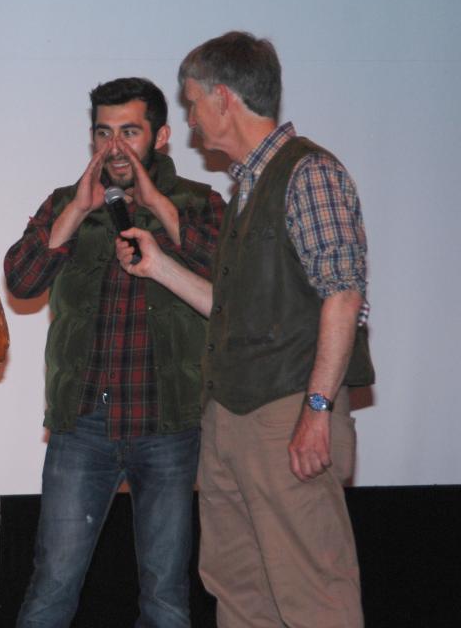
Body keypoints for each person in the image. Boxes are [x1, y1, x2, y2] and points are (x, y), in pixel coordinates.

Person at [116, 32, 374, 627]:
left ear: (224, 98)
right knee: (238, 588)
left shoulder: (309, 173)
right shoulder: (248, 187)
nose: (189, 119)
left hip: (286, 414)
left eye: (191, 103)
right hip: (231, 415)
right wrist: (159, 266)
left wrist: (316, 408)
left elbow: (344, 295)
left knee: (313, 591)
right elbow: (234, 311)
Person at [4, 77, 225, 627]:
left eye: (130, 132)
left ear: (162, 136)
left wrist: (154, 202)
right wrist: (75, 212)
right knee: (53, 583)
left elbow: (231, 282)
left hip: (169, 423)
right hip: (84, 423)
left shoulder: (199, 202)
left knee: (166, 593)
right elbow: (21, 280)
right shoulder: (66, 203)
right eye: (104, 134)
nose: (116, 148)